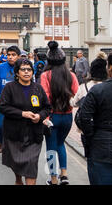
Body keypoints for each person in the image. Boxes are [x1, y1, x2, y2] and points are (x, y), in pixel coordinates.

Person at [76, 48, 112, 185]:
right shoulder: (98, 90)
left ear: (110, 68)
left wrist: (92, 136)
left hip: (102, 147)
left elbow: (84, 118)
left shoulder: (98, 90)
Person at [0, 59, 51, 185]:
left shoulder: (38, 88)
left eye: (29, 69)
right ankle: (18, 179)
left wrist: (40, 116)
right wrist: (22, 113)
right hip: (15, 133)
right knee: (16, 162)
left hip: (34, 134)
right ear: (17, 73)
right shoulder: (9, 88)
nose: (26, 72)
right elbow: (3, 107)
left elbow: (47, 107)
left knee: (31, 166)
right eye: (23, 69)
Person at [40, 41, 79, 185]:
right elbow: (76, 95)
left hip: (52, 116)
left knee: (51, 146)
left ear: (49, 60)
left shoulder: (45, 75)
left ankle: (53, 178)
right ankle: (64, 174)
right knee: (61, 143)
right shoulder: (71, 75)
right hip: (67, 116)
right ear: (63, 59)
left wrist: (46, 116)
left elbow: (45, 96)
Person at [0, 45, 21, 154]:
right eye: (8, 55)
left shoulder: (23, 68)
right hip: (2, 103)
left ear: (19, 56)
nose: (10, 57)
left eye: (13, 55)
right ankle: (1, 141)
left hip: (18, 104)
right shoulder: (0, 68)